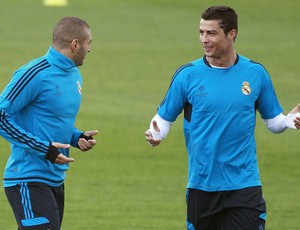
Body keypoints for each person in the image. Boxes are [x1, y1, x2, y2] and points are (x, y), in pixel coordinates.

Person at [145, 6, 300, 230]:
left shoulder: (255, 74)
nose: (204, 39)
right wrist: (155, 134)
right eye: (201, 32)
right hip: (202, 186)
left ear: (231, 34)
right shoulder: (188, 75)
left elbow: (273, 122)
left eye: (211, 33)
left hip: (244, 185)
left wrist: (289, 121)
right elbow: (164, 118)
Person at [0, 17, 98, 229]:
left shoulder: (75, 74)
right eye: (88, 42)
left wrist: (77, 137)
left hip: (55, 180)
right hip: (27, 178)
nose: (90, 49)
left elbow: (51, 120)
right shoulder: (34, 73)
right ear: (75, 44)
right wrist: (44, 149)